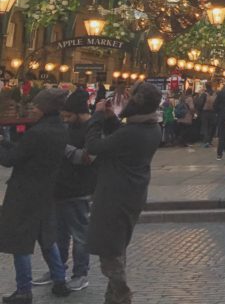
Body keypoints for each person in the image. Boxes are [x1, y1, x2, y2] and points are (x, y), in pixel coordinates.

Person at [85, 82, 163, 304]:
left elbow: (93, 147)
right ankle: (113, 298)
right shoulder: (150, 127)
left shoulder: (133, 132)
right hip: (132, 193)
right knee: (117, 245)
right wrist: (111, 119)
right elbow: (121, 139)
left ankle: (122, 293)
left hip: (114, 194)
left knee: (109, 251)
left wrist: (97, 117)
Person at [0, 88, 71, 301]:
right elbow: (24, 152)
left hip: (25, 193)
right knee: (47, 239)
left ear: (44, 108)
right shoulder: (59, 128)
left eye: (36, 106)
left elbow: (11, 159)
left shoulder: (38, 132)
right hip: (46, 191)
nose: (33, 109)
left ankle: (24, 290)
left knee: (19, 242)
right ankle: (60, 281)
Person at [33, 90, 96, 292]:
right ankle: (57, 270)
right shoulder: (66, 127)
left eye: (68, 116)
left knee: (79, 235)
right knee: (58, 234)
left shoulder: (91, 128)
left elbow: (89, 157)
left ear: (79, 113)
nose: (65, 120)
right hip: (58, 187)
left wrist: (64, 148)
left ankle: (80, 274)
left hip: (79, 189)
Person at [197, 82, 218, 148]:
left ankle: (206, 141)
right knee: (211, 127)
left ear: (206, 86)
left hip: (205, 112)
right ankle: (209, 141)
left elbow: (200, 104)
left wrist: (199, 111)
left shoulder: (204, 94)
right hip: (213, 113)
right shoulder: (215, 94)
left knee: (205, 127)